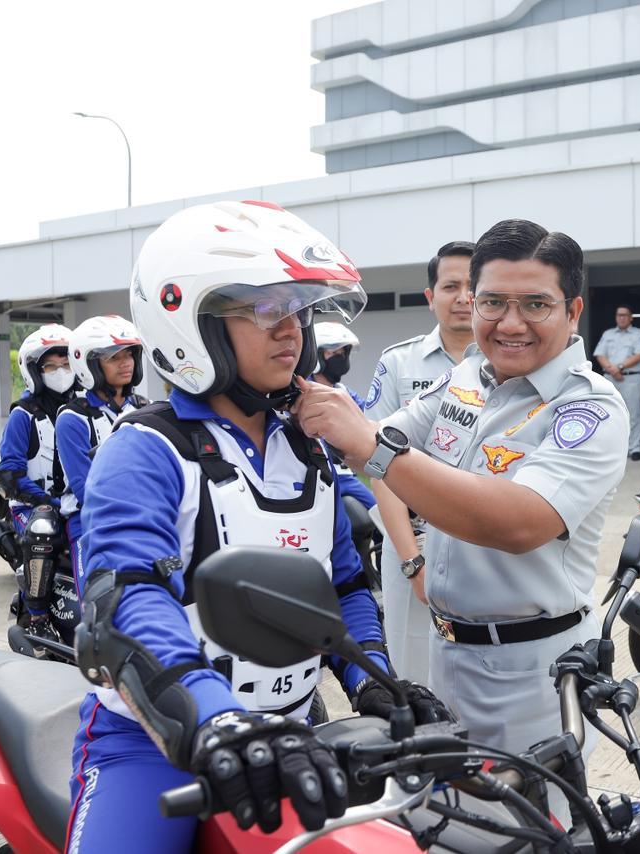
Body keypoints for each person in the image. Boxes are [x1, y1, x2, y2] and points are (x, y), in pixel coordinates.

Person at [66, 201, 449, 851]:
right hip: (155, 742)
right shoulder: (147, 448)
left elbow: (345, 589)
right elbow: (126, 596)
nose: (292, 331)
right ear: (193, 321)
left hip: (287, 738)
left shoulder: (308, 447)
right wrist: (217, 718)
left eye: (299, 311)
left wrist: (374, 683)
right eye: (265, 309)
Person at [294, 219, 628, 815]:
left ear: (573, 310)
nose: (510, 322)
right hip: (445, 654)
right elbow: (389, 437)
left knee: (528, 826)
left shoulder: (590, 407)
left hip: (532, 675)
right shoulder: (470, 376)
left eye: (535, 304)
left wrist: (370, 446)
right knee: (444, 821)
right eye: (494, 302)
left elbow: (519, 522)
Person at [363, 239, 475, 686]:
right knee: (413, 671)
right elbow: (380, 467)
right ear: (431, 298)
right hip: (415, 540)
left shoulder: (510, 367)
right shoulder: (398, 364)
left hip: (484, 542)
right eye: (451, 286)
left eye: (473, 285)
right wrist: (412, 563)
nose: (463, 296)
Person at [54, 315, 148, 590]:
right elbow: (85, 488)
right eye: (114, 357)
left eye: (130, 353)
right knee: (96, 602)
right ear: (90, 364)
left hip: (141, 514)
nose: (126, 362)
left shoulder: (145, 409)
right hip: (89, 520)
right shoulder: (73, 418)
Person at [0, 324, 75, 641]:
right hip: (34, 503)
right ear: (35, 371)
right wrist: (48, 501)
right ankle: (37, 616)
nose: (60, 371)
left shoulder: (84, 408)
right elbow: (9, 473)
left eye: (66, 363)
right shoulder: (23, 415)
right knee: (44, 531)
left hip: (78, 498)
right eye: (51, 366)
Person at [311, 320, 375, 511]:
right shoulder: (302, 390)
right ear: (316, 356)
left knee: (380, 514)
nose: (340, 358)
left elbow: (371, 415)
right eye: (333, 353)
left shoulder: (344, 392)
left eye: (343, 353)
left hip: (346, 473)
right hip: (316, 474)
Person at [593, 305, 640, 460]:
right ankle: (611, 450)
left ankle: (634, 448)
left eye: (625, 315)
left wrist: (620, 367)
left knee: (633, 414)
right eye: (619, 315)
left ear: (631, 318)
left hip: (630, 378)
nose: (621, 318)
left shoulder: (638, 334)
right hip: (610, 379)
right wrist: (612, 369)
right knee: (608, 414)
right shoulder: (608, 334)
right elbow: (600, 355)